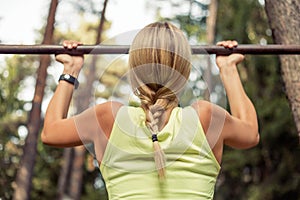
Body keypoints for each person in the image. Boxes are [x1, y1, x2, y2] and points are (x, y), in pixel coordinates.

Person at [41, 22, 259, 199]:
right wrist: (228, 69)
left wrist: (70, 69)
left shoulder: (108, 117)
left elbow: (50, 132)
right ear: (184, 72)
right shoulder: (207, 117)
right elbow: (251, 133)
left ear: (134, 70)